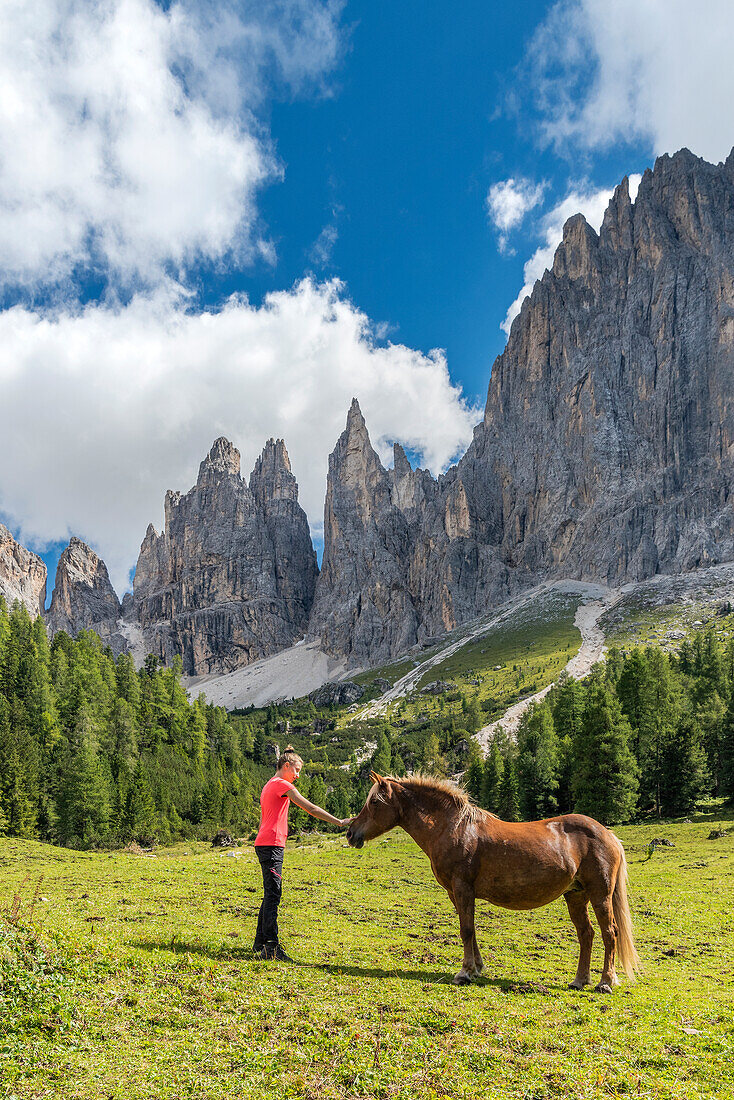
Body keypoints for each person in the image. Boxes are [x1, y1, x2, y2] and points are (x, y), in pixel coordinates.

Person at [253, 745, 351, 961]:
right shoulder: (281, 784)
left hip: (266, 843)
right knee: (273, 894)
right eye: (296, 770)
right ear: (286, 766)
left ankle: (260, 943)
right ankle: (270, 947)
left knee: (270, 893)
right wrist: (339, 822)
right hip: (271, 844)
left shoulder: (270, 784)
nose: (297, 775)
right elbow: (311, 808)